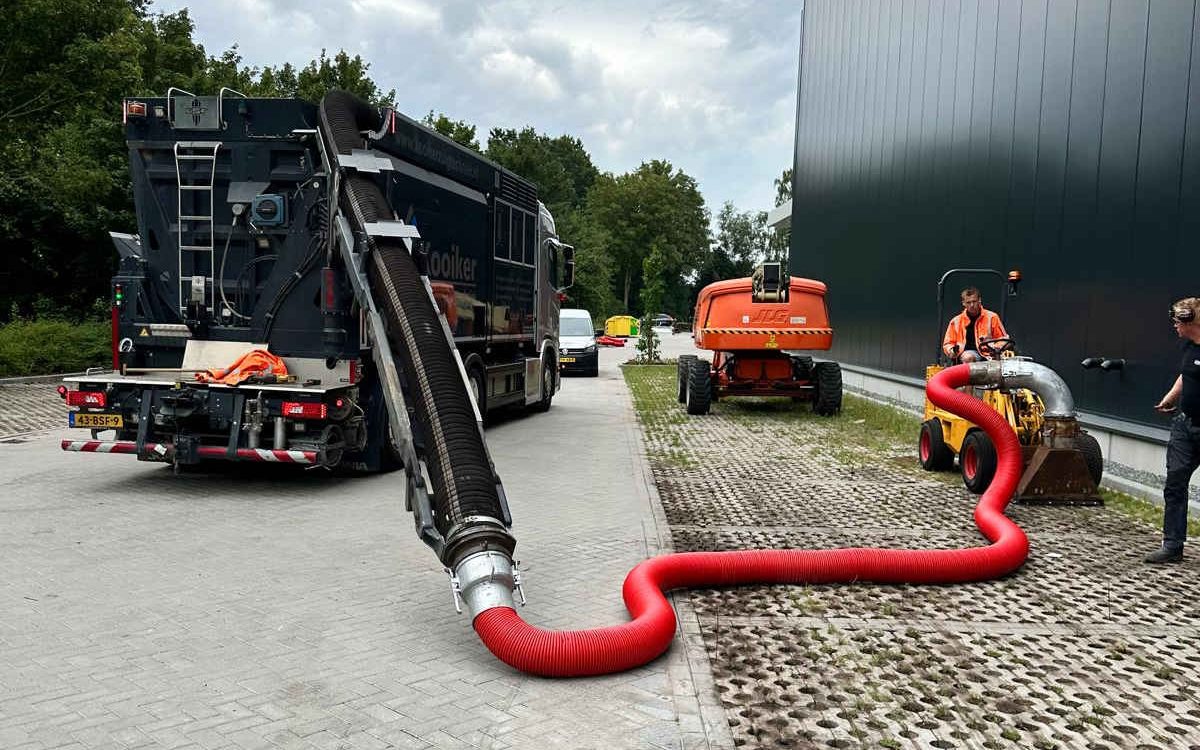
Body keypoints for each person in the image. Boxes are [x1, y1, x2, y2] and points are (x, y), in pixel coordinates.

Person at [1147, 297, 1200, 563]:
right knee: (1175, 484)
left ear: (1192, 322)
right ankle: (1172, 545)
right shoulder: (1189, 347)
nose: (1175, 326)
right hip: (1186, 425)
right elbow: (1186, 374)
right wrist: (1170, 397)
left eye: (1178, 322)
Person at [942, 287, 1008, 363]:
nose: (972, 305)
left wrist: (996, 348)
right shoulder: (956, 321)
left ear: (979, 300)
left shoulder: (992, 317)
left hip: (989, 356)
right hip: (966, 355)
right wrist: (952, 350)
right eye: (968, 302)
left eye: (974, 301)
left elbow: (1003, 339)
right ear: (963, 303)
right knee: (968, 357)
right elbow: (948, 344)